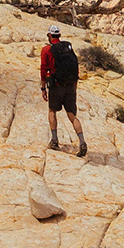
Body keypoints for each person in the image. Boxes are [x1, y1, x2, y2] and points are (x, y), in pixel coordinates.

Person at [38, 27, 85, 156]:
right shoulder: (67, 48)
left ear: (49, 35)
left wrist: (43, 88)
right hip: (70, 85)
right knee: (71, 115)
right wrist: (74, 85)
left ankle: (54, 140)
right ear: (59, 35)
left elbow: (43, 69)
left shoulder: (46, 50)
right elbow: (75, 67)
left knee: (52, 111)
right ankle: (82, 142)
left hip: (56, 86)